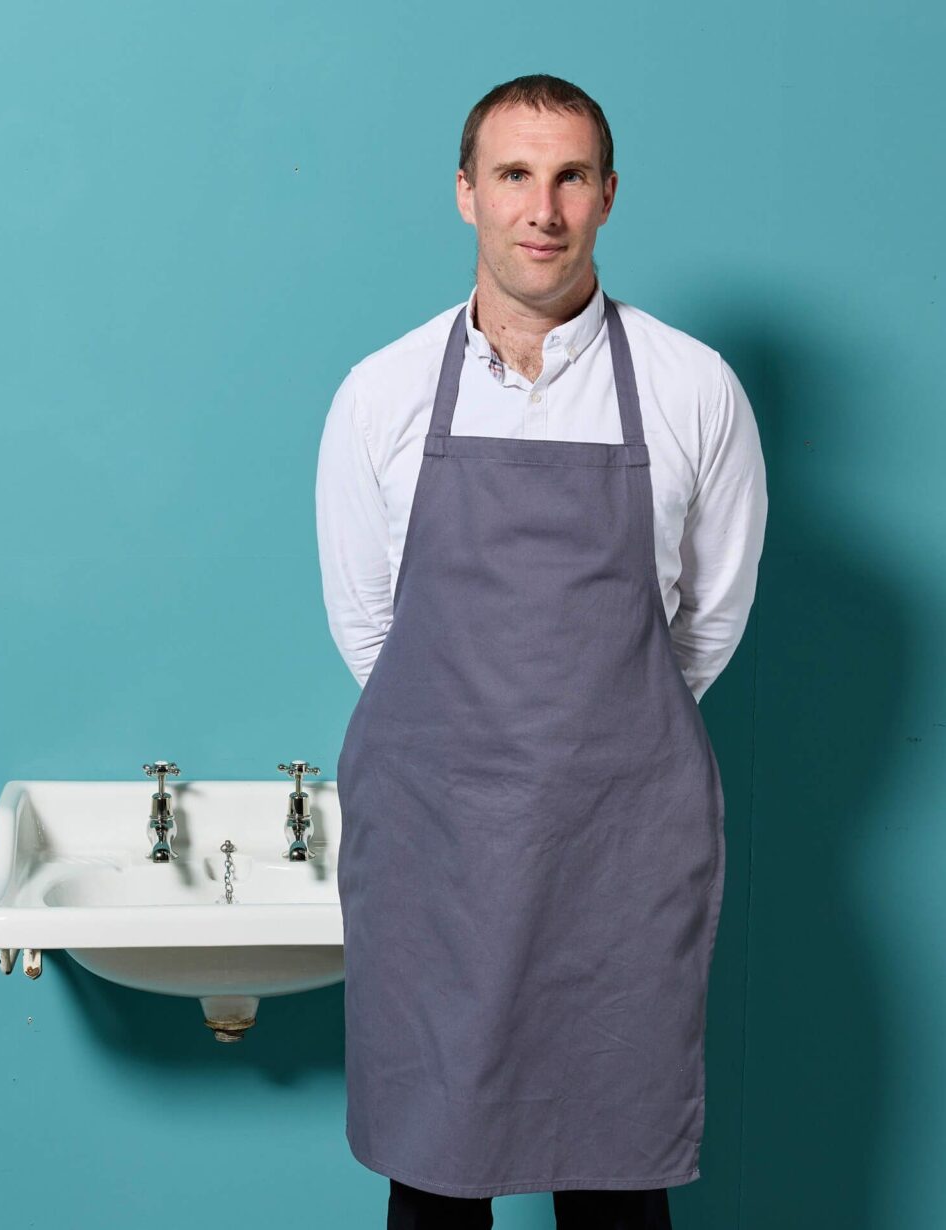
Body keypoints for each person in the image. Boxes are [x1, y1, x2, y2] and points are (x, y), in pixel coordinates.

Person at [314, 74, 768, 1229]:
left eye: (571, 177)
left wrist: (598, 734)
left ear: (608, 195)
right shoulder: (381, 395)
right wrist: (474, 749)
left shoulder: (693, 388)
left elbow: (707, 622)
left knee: (617, 1182)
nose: (543, 209)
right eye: (514, 174)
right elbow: (370, 627)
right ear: (466, 193)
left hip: (621, 849)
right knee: (432, 1178)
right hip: (436, 850)